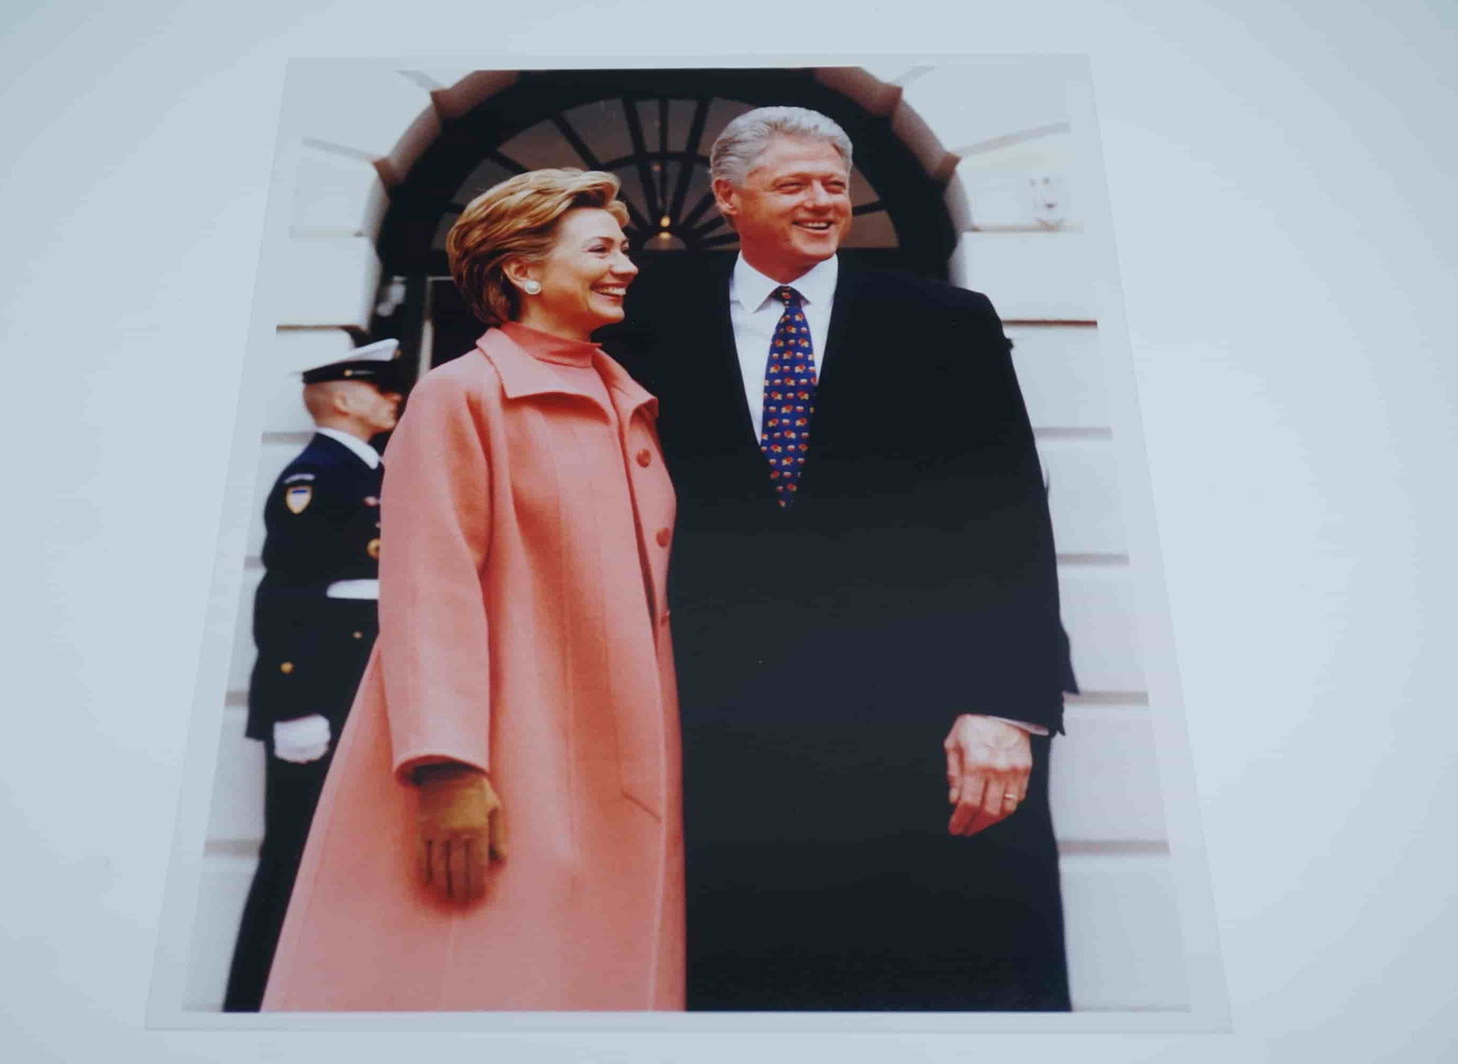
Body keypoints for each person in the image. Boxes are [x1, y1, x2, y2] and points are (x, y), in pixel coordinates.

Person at [609, 106, 1078, 1011]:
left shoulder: (945, 321)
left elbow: (1010, 514)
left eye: (835, 184)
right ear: (727, 198)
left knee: (948, 982)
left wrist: (1006, 705)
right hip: (723, 731)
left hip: (925, 724)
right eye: (794, 184)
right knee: (753, 984)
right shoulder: (644, 323)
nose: (824, 203)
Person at [261, 169, 684, 1011]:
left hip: (628, 752)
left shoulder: (627, 399)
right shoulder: (463, 393)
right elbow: (429, 587)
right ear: (524, 272)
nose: (627, 265)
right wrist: (445, 764)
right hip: (510, 757)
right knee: (489, 982)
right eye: (601, 248)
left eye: (625, 248)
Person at [222, 339, 409, 1012]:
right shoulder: (316, 474)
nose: (394, 396)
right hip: (321, 691)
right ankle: (249, 1009)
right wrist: (295, 706)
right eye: (379, 386)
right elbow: (288, 592)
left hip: (356, 683)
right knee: (294, 853)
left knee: (347, 851)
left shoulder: (366, 470)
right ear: (338, 398)